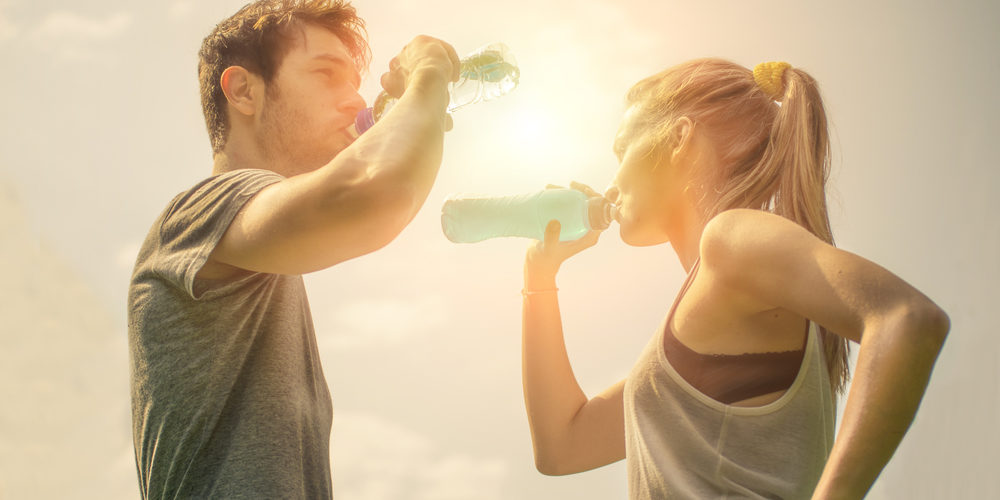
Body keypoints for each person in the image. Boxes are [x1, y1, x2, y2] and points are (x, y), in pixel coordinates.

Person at [520, 59, 950, 498]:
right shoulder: (696, 332)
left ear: (679, 138)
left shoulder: (730, 239)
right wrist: (540, 275)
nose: (610, 185)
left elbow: (906, 318)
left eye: (620, 152)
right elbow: (562, 447)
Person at [126, 0, 460, 497]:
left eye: (354, 82)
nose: (354, 101)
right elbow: (372, 196)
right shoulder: (199, 212)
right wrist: (429, 76)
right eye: (327, 75)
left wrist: (418, 119)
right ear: (243, 90)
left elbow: (376, 191)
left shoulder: (263, 258)